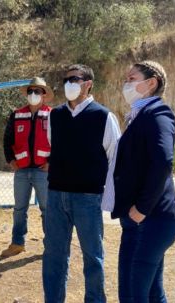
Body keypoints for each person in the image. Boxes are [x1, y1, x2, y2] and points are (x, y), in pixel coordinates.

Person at [102, 60, 175, 303]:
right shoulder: (140, 116)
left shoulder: (157, 114)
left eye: (131, 79)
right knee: (151, 293)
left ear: (151, 83)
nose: (125, 84)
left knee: (132, 294)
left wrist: (142, 208)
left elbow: (162, 163)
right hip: (142, 221)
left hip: (150, 220)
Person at [43, 64, 121, 303]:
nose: (69, 84)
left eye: (74, 79)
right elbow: (52, 146)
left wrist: (108, 198)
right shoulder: (54, 116)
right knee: (54, 256)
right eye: (65, 80)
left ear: (88, 83)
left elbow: (115, 158)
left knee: (93, 257)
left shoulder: (104, 116)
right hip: (56, 196)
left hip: (88, 198)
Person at [1, 77, 54, 257]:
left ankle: (52, 245)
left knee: (48, 209)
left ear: (44, 95)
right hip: (22, 170)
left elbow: (62, 142)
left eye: (37, 91)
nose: (33, 94)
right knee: (19, 209)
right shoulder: (16, 115)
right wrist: (10, 160)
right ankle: (17, 243)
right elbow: (7, 140)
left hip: (43, 171)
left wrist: (51, 162)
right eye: (30, 91)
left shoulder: (53, 115)